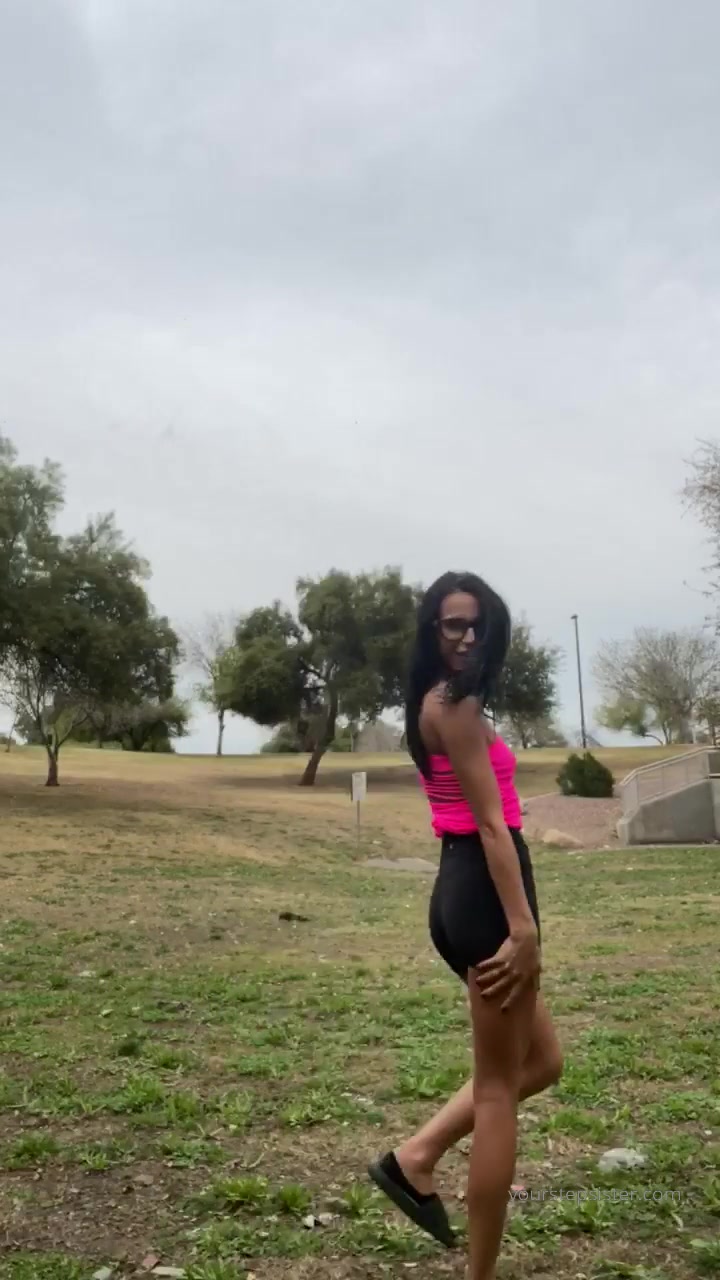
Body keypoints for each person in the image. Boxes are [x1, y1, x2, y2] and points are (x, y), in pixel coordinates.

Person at [369, 571, 563, 1280]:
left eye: (478, 624)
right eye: (453, 623)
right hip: (483, 894)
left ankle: (416, 1156)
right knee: (497, 1090)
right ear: (432, 628)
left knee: (542, 1062)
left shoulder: (432, 700)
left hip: (461, 889)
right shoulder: (455, 704)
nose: (467, 636)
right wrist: (524, 929)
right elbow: (489, 825)